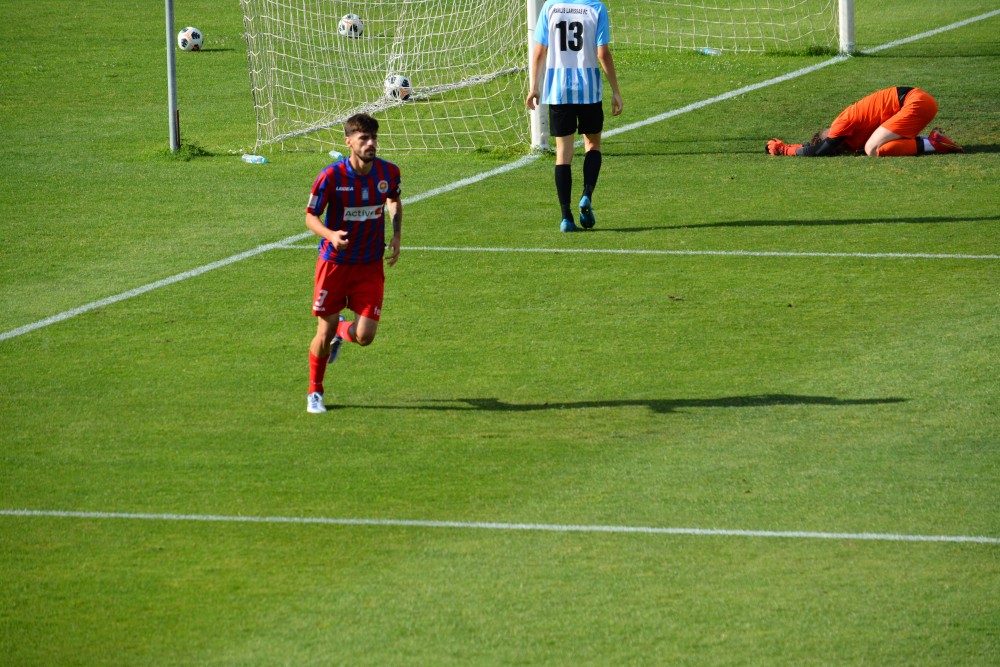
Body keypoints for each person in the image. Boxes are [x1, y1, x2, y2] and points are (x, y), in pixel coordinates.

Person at [304, 113, 402, 414]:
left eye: (373, 138)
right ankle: (315, 391)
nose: (371, 143)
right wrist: (330, 235)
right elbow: (310, 217)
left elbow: (393, 199)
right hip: (334, 264)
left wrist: (397, 235)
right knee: (323, 332)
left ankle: (342, 330)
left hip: (370, 265)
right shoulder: (331, 177)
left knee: (365, 337)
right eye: (364, 138)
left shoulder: (388, 172)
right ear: (349, 142)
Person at [526, 0, 624, 232]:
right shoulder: (595, 8)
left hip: (559, 91)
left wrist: (534, 87)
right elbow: (603, 53)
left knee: (563, 154)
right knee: (593, 145)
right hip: (588, 89)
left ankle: (566, 217)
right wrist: (616, 90)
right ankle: (586, 194)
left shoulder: (550, 7)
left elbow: (539, 51)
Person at [766, 86, 962, 157]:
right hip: (918, 101)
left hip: (915, 102)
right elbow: (817, 147)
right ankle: (932, 141)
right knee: (879, 146)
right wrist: (795, 146)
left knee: (872, 149)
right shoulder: (848, 135)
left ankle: (934, 144)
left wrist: (785, 150)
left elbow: (818, 151)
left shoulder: (841, 125)